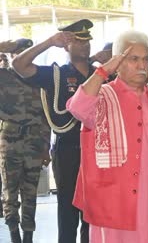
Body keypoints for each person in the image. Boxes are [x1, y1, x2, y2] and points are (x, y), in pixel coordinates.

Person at [66, 30, 148, 243]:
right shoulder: (101, 96)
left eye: (145, 59)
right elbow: (77, 108)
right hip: (112, 202)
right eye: (133, 59)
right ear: (118, 62)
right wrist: (102, 71)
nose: (142, 65)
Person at [12, 19, 95, 243]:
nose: (84, 45)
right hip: (68, 151)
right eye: (77, 41)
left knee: (94, 214)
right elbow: (19, 65)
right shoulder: (56, 75)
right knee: (67, 212)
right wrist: (49, 42)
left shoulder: (100, 76)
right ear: (66, 45)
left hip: (97, 152)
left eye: (87, 41)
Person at [0, 39, 51, 243]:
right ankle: (14, 235)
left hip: (35, 140)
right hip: (10, 140)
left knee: (30, 191)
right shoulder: (3, 76)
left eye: (25, 52)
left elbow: (47, 115)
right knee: (10, 191)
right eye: (18, 52)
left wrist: (46, 147)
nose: (20, 55)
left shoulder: (39, 77)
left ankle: (28, 235)